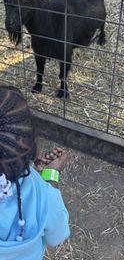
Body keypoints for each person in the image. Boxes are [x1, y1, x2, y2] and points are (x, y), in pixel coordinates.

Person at [0, 84, 70, 260]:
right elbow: (56, 237)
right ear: (31, 148)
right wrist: (50, 175)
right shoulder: (42, 195)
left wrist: (27, 169)